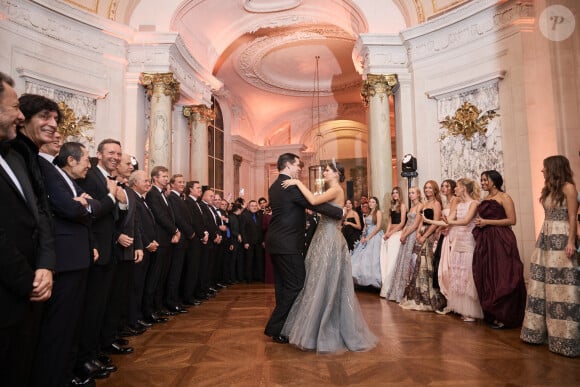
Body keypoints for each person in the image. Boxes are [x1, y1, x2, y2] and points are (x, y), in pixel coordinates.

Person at [280, 161, 377, 352]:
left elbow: (314, 202)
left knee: (325, 280)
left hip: (330, 237)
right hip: (323, 235)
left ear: (336, 174)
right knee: (318, 279)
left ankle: (324, 328)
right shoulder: (332, 189)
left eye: (327, 170)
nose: (324, 172)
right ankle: (316, 327)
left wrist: (297, 183)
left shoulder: (336, 189)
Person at [0, 72, 55, 387]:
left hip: (31, 284)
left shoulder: (17, 156)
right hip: (15, 284)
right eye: (13, 108)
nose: (19, 116)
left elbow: (40, 214)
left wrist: (45, 264)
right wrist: (28, 280)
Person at [32, 141, 100, 387]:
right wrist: (80, 204)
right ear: (71, 160)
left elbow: (92, 206)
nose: (89, 166)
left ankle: (67, 374)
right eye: (86, 160)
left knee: (71, 323)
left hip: (76, 258)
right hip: (65, 260)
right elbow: (67, 209)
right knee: (59, 327)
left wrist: (83, 203)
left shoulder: (66, 177)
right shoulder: (46, 168)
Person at [263, 153, 343, 344]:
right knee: (297, 284)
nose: (300, 169)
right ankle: (275, 326)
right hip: (287, 244)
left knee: (283, 286)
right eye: (298, 165)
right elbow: (313, 204)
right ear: (288, 165)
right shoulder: (288, 186)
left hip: (277, 242)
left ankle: (283, 328)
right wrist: (340, 211)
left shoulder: (275, 185)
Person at [521, 155, 579, 357]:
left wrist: (571, 241)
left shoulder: (569, 188)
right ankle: (538, 333)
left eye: (545, 168)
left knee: (561, 286)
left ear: (554, 169)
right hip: (545, 237)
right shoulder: (548, 190)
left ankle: (565, 337)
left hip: (562, 237)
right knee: (540, 284)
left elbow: (572, 216)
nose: (542, 171)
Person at [473, 170, 526, 329]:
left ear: (494, 181)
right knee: (488, 275)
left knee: (504, 275)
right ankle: (492, 313)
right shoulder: (485, 199)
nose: (482, 183)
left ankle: (506, 314)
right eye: (481, 180)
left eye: (484, 180)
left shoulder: (505, 197)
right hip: (486, 240)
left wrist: (487, 222)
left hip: (502, 239)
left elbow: (512, 220)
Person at [400, 180, 446, 312]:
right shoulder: (425, 204)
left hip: (430, 235)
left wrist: (425, 236)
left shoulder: (436, 204)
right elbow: (421, 221)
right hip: (421, 234)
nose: (427, 190)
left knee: (428, 265)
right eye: (426, 188)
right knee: (419, 265)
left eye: (430, 188)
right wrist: (418, 234)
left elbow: (435, 222)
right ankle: (421, 295)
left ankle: (431, 297)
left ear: (435, 190)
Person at [445, 178, 483, 322]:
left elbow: (467, 220)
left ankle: (472, 310)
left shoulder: (474, 204)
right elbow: (447, 220)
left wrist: (450, 222)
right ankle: (462, 308)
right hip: (458, 241)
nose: (455, 189)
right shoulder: (459, 204)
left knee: (468, 275)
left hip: (469, 241)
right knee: (458, 273)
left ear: (464, 188)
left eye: (458, 187)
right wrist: (429, 221)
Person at [386, 186, 423, 302]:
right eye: (410, 193)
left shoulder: (420, 206)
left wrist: (405, 234)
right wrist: (403, 234)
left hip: (412, 235)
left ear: (418, 194)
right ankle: (399, 292)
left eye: (413, 193)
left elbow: (416, 224)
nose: (411, 195)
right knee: (402, 261)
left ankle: (409, 292)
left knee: (409, 262)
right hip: (406, 234)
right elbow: (407, 223)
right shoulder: (411, 207)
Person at [379, 187, 407, 298]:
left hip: (398, 232)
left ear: (400, 194)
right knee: (385, 256)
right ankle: (385, 283)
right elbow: (390, 222)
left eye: (396, 192)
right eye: (393, 193)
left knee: (393, 259)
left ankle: (392, 286)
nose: (395, 194)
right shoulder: (392, 206)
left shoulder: (403, 206)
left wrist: (391, 233)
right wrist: (387, 233)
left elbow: (402, 223)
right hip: (391, 232)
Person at [351, 196, 384, 288]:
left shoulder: (378, 212)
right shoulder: (368, 213)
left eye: (373, 202)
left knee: (371, 257)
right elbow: (365, 226)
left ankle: (373, 281)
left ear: (376, 204)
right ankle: (361, 280)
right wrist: (362, 236)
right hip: (366, 235)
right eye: (370, 202)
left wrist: (369, 238)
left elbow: (378, 227)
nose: (371, 203)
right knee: (360, 256)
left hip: (375, 236)